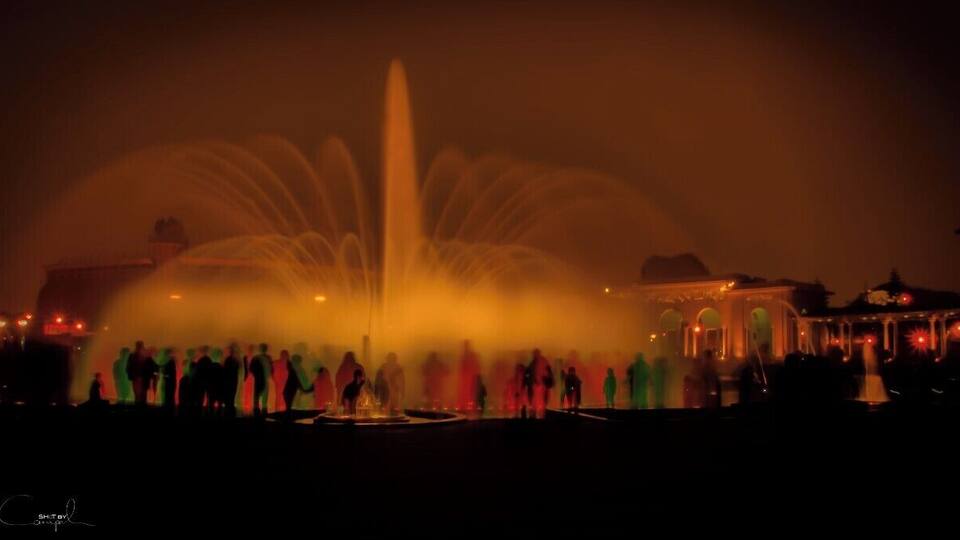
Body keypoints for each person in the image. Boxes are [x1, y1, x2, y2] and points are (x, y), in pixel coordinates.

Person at [246, 343, 272, 416]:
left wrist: (256, 374)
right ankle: (264, 414)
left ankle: (256, 414)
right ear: (266, 349)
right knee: (264, 399)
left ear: (259, 349)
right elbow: (271, 369)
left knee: (256, 398)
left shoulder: (256, 358)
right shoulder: (268, 358)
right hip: (266, 381)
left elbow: (251, 369)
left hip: (258, 380)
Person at [222, 344, 241, 415]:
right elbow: (237, 369)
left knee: (229, 395)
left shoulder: (228, 360)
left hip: (228, 380)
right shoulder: (235, 360)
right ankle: (231, 410)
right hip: (233, 380)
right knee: (232, 395)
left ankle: (228, 410)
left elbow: (224, 370)